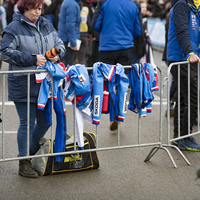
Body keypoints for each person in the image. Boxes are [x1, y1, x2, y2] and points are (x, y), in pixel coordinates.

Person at [0, 0, 66, 178]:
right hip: (22, 83)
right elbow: (4, 52)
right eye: (35, 8)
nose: (39, 11)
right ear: (25, 8)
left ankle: (27, 153)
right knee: (26, 123)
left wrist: (57, 53)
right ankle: (24, 162)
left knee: (45, 122)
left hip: (45, 85)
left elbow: (61, 45)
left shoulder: (46, 24)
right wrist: (32, 59)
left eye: (40, 8)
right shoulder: (14, 27)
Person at [92, 0, 142, 130]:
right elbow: (138, 30)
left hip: (107, 47)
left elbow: (95, 25)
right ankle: (119, 115)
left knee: (109, 84)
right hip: (125, 48)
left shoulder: (104, 3)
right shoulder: (135, 5)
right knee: (122, 84)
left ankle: (111, 116)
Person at [167, 0, 200, 151]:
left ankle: (178, 137)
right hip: (182, 58)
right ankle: (186, 137)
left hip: (192, 58)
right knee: (193, 98)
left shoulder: (197, 7)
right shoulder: (181, 5)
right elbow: (182, 30)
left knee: (182, 98)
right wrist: (189, 52)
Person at [58, 0, 81, 66]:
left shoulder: (68, 2)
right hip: (68, 40)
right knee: (69, 65)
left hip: (66, 38)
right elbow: (70, 25)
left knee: (67, 63)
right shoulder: (72, 4)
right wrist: (73, 43)